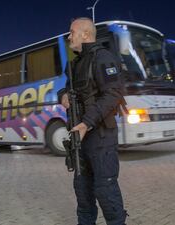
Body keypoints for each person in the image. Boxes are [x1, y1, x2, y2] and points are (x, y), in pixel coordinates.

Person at [59, 18, 127, 225]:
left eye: (72, 32)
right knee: (83, 193)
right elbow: (68, 88)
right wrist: (62, 95)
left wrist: (86, 123)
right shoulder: (75, 64)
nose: (69, 36)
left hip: (100, 137)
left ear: (86, 35)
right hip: (80, 138)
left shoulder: (103, 58)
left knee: (106, 191)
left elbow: (113, 94)